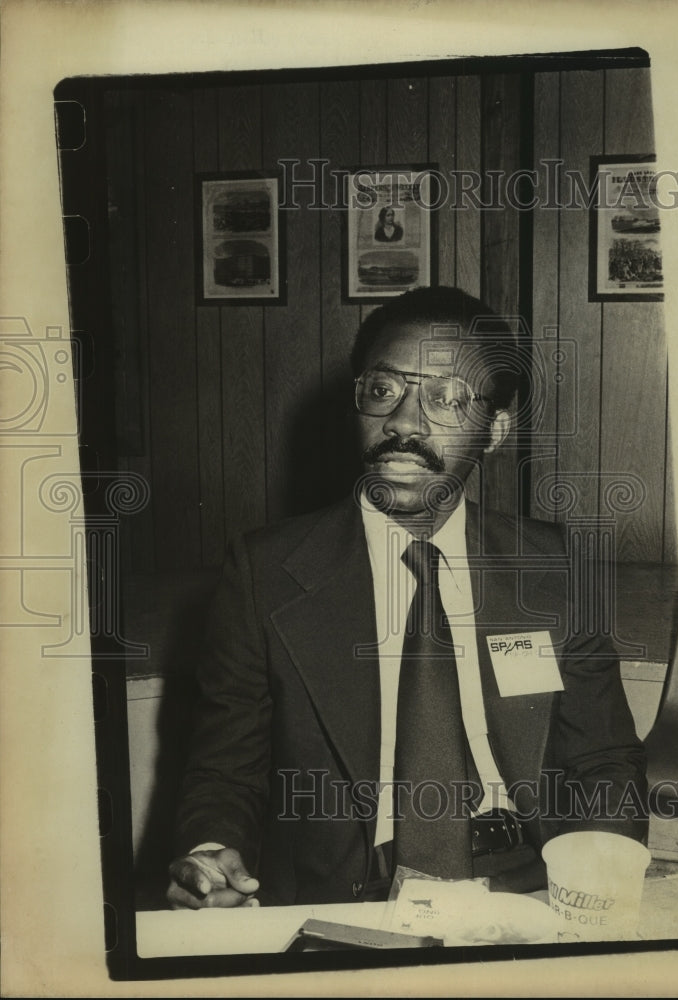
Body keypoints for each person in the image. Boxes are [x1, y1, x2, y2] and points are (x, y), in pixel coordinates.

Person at [166, 286, 648, 911]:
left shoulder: (554, 567)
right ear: (356, 400)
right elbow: (227, 771)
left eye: (448, 399)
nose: (403, 424)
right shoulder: (263, 573)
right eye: (383, 389)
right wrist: (211, 851)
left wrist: (597, 878)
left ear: (495, 430)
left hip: (531, 884)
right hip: (350, 897)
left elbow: (606, 759)